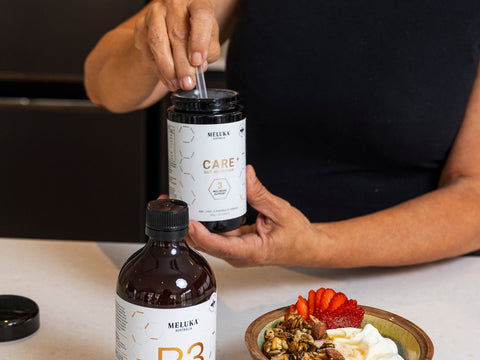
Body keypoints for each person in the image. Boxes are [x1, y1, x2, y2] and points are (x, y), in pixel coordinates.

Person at [84, 0, 480, 268]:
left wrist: (314, 246)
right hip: (246, 274)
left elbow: (472, 194)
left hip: (415, 284)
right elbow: (102, 85)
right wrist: (148, 39)